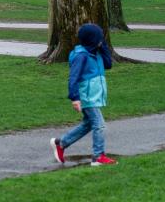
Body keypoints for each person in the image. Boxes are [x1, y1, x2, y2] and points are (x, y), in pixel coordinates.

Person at [50, 23, 116, 167]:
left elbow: (108, 64)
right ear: (92, 40)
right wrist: (75, 98)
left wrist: (103, 46)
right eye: (99, 38)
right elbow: (73, 78)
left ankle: (61, 143)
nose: (101, 40)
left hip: (94, 96)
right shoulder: (81, 56)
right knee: (99, 125)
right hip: (87, 97)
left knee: (88, 124)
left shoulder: (96, 52)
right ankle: (98, 157)